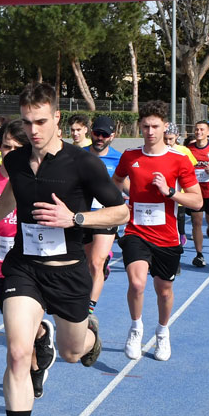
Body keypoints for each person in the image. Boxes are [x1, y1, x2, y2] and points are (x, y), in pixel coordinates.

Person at [0, 83, 128, 416]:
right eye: (26, 122)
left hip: (69, 272)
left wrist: (75, 219)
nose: (34, 130)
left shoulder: (83, 162)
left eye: (41, 121)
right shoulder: (18, 160)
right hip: (24, 267)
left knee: (73, 353)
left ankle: (85, 333)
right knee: (16, 352)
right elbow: (12, 191)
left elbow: (121, 209)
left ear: (57, 118)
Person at [0, 119, 58, 399]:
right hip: (0, 266)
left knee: (17, 338)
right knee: (18, 335)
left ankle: (31, 366)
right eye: (5, 146)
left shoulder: (43, 179)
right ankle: (40, 347)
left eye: (16, 147)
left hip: (36, 265)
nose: (9, 153)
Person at [113, 101, 202, 363]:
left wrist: (171, 192)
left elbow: (197, 201)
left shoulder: (179, 160)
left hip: (166, 235)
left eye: (155, 126)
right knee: (137, 283)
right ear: (140, 126)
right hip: (135, 230)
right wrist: (133, 194)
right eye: (145, 126)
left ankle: (162, 332)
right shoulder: (130, 156)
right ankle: (136, 327)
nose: (150, 131)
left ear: (165, 127)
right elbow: (117, 181)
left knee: (163, 290)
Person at [83, 115, 124, 326]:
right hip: (81, 217)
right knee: (86, 263)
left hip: (106, 216)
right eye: (96, 133)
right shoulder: (78, 156)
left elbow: (128, 187)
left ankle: (89, 309)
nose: (100, 138)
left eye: (104, 135)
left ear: (112, 136)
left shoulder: (119, 159)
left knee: (96, 263)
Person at [185, 121, 209, 268]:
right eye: (196, 129)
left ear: (208, 133)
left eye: (202, 129)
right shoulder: (188, 150)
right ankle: (199, 254)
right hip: (194, 191)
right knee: (196, 222)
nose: (198, 132)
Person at [163, 123, 198, 250]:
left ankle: (181, 235)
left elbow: (191, 169)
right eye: (165, 138)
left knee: (180, 219)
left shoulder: (184, 151)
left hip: (179, 193)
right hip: (163, 194)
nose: (168, 142)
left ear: (177, 136)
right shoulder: (160, 150)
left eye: (171, 139)